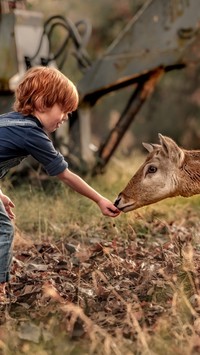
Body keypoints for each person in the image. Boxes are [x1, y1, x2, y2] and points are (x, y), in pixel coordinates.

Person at [0, 66, 120, 300]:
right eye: (63, 110)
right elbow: (65, 175)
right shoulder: (32, 134)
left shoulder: (8, 122)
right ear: (42, 101)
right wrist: (99, 199)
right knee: (4, 229)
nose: (65, 117)